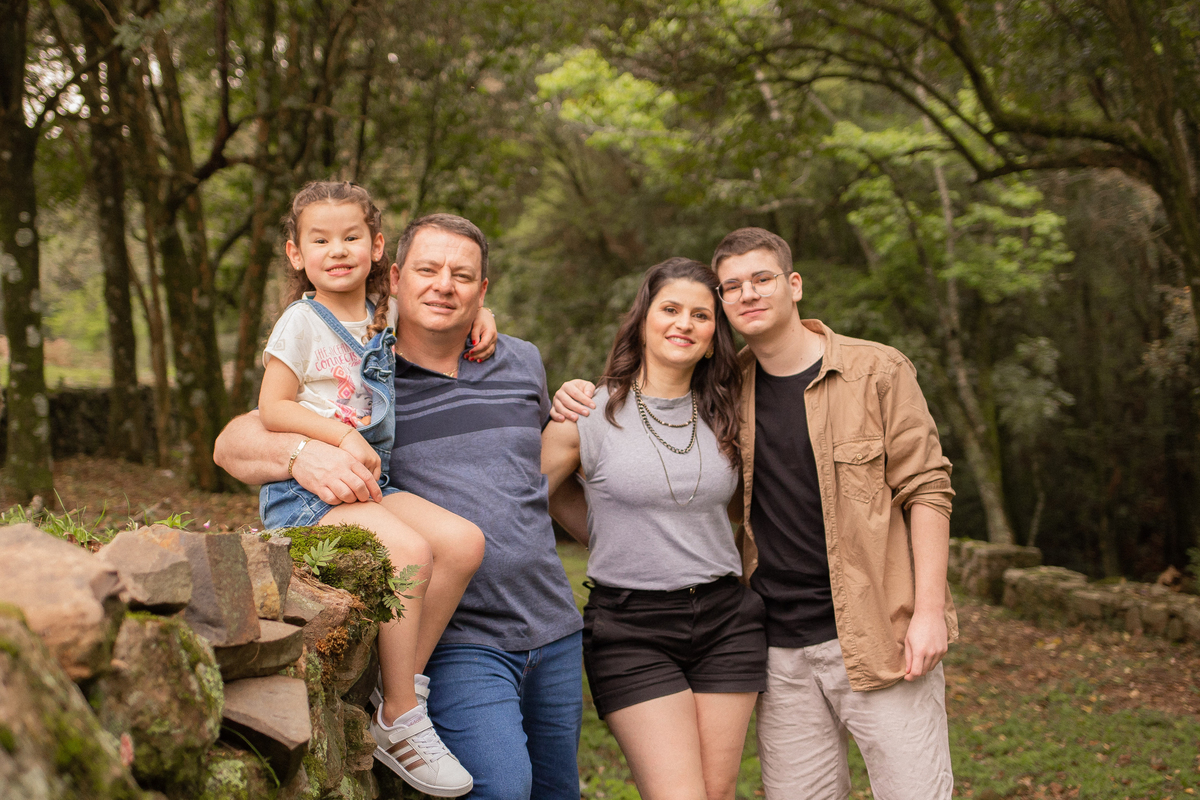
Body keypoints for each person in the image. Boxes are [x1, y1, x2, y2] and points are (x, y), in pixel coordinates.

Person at [552, 228, 958, 799]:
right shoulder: (724, 389)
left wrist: (929, 612)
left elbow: (928, 488)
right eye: (732, 286)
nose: (748, 293)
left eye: (762, 278)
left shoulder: (877, 371)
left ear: (793, 285)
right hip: (777, 645)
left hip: (877, 634)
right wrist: (575, 397)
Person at [215, 212, 584, 800]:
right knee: (502, 790)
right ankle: (401, 709)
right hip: (466, 639)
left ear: (483, 290)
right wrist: (302, 454)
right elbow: (234, 439)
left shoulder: (522, 361)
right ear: (394, 276)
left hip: (555, 627)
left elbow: (535, 478)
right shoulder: (366, 374)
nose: (444, 285)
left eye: (463, 275)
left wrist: (575, 404)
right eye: (428, 270)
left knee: (559, 791)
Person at [256, 181, 486, 797]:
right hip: (310, 495)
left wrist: (481, 313)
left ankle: (397, 682)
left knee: (462, 543)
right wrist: (336, 432)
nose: (337, 250)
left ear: (378, 247)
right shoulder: (302, 322)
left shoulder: (381, 314)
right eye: (320, 239)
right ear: (295, 254)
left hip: (368, 484)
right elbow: (272, 407)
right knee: (408, 551)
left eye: (352, 237)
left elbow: (444, 299)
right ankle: (401, 719)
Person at [541, 258, 766, 800]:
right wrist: (605, 531)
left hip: (726, 621)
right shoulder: (585, 412)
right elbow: (533, 496)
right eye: (670, 309)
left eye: (701, 316)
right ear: (643, 321)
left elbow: (737, 511)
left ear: (714, 338)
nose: (684, 324)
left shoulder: (730, 414)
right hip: (630, 628)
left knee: (717, 792)